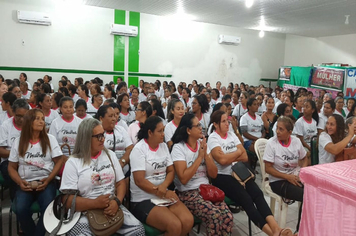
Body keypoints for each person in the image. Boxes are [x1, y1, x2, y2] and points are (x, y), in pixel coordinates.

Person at [208, 110, 294, 236]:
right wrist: (236, 153)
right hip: (223, 176)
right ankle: (272, 233)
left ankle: (276, 228)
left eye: (228, 120)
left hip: (239, 171)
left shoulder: (231, 135)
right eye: (224, 121)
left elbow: (245, 157)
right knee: (246, 199)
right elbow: (222, 160)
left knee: (258, 194)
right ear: (215, 124)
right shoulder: (213, 138)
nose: (228, 124)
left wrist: (230, 156)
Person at [60, 118, 145, 236]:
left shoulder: (110, 155)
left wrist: (116, 201)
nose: (103, 139)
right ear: (86, 138)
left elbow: (120, 183)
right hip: (85, 209)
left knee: (138, 230)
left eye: (103, 135)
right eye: (98, 136)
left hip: (111, 205)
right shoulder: (74, 162)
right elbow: (67, 200)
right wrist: (95, 203)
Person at [171, 113, 233, 236]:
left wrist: (206, 155)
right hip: (187, 193)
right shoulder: (179, 148)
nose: (201, 128)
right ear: (188, 130)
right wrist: (200, 157)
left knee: (227, 216)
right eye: (197, 125)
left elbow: (214, 174)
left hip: (206, 190)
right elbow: (183, 178)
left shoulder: (203, 145)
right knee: (214, 216)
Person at [129, 116, 194, 235]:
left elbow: (171, 171)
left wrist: (164, 186)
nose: (163, 134)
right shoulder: (139, 149)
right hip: (143, 199)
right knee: (174, 225)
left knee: (188, 221)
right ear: (150, 132)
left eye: (163, 130)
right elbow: (139, 181)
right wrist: (161, 191)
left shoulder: (163, 146)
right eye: (160, 131)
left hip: (162, 194)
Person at [8, 109, 63, 236]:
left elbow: (59, 161)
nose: (41, 121)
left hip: (46, 181)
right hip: (25, 183)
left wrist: (49, 179)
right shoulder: (19, 141)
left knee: (48, 209)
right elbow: (11, 167)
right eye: (37, 118)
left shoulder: (50, 139)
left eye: (42, 119)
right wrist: (19, 182)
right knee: (21, 209)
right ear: (29, 122)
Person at [264, 116, 308, 232]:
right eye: (277, 128)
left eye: (281, 129)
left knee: (313, 192)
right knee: (306, 195)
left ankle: (305, 228)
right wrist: (287, 177)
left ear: (290, 132)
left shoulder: (296, 141)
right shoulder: (271, 143)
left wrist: (302, 172)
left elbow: (304, 158)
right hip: (278, 181)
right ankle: (300, 231)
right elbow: (268, 168)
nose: (277, 132)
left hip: (294, 176)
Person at [0, 99, 30, 200]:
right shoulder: (6, 126)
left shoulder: (31, 125)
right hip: (9, 161)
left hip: (30, 160)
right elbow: (1, 151)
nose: (21, 119)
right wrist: (16, 154)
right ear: (13, 112)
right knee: (13, 174)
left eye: (24, 116)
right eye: (18, 116)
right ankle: (16, 200)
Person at [96, 105, 133, 177]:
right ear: (101, 118)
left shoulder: (121, 129)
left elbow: (130, 148)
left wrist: (121, 163)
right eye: (110, 116)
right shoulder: (96, 133)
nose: (114, 118)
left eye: (115, 115)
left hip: (123, 169)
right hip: (104, 170)